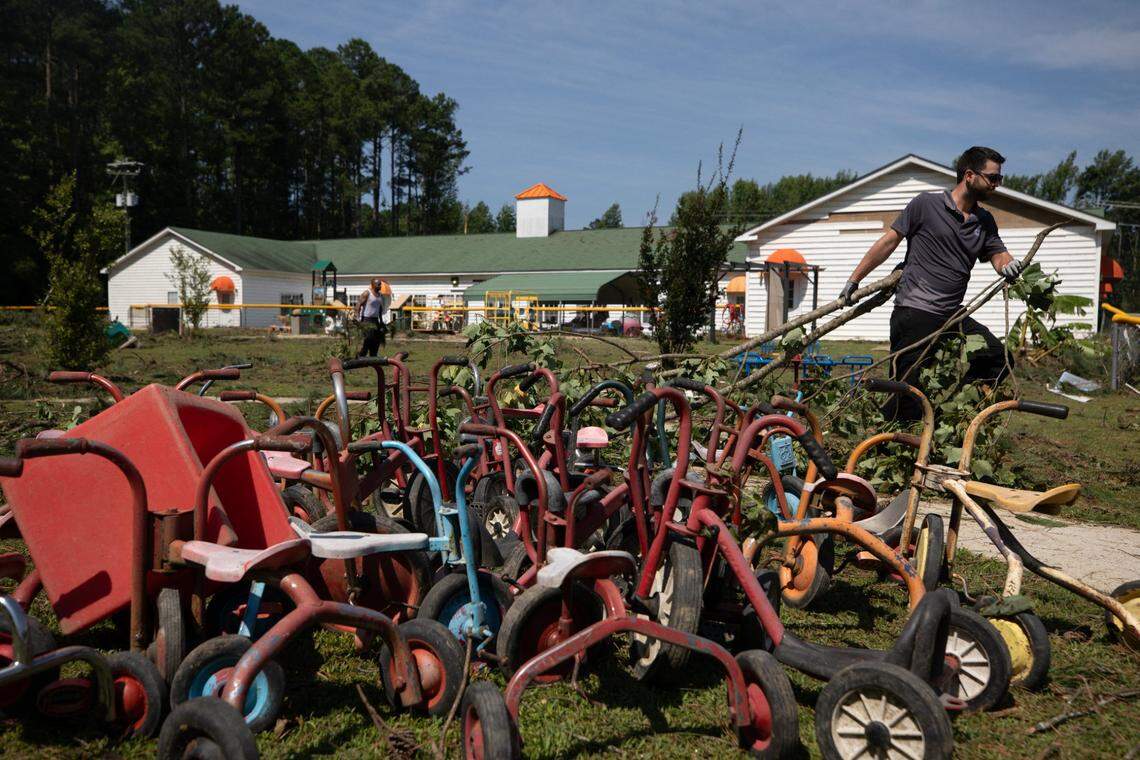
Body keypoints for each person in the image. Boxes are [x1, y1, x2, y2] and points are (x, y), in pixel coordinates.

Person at [838, 146, 1024, 421]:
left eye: (999, 179)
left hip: (950, 315)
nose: (997, 184)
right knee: (908, 394)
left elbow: (997, 253)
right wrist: (854, 280)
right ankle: (887, 444)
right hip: (915, 312)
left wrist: (1008, 264)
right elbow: (889, 241)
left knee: (997, 358)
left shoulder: (984, 221)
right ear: (970, 176)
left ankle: (947, 416)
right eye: (992, 178)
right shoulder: (926, 205)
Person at [355, 277, 391, 357]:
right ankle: (361, 356)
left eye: (380, 284)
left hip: (375, 320)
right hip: (366, 320)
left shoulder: (380, 295)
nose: (380, 286)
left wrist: (381, 321)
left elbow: (380, 308)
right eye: (378, 285)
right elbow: (358, 305)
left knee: (376, 339)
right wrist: (357, 318)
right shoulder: (367, 293)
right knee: (368, 339)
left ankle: (373, 355)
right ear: (373, 285)